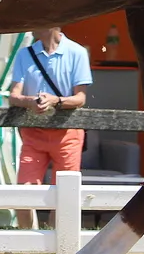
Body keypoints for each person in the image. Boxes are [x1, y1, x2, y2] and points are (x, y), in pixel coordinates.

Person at [8, 26, 91, 228]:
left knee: (65, 195)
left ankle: (59, 242)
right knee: (24, 193)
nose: (30, 24)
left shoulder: (77, 52)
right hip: (33, 133)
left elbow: (80, 98)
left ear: (53, 23)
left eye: (37, 19)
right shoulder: (24, 53)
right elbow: (14, 96)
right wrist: (30, 101)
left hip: (68, 134)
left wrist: (55, 101)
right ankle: (27, 242)